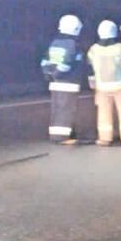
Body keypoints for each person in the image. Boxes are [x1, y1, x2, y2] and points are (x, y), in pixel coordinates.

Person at [86, 20, 121, 146]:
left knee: (103, 113)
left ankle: (104, 139)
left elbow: (89, 68)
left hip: (102, 87)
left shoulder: (93, 49)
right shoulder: (120, 48)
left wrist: (92, 83)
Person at [40, 13, 86, 144]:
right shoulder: (73, 44)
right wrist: (58, 73)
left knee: (57, 108)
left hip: (55, 82)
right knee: (66, 109)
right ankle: (62, 137)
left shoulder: (55, 43)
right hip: (68, 82)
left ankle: (64, 133)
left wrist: (49, 74)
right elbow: (68, 62)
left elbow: (45, 60)